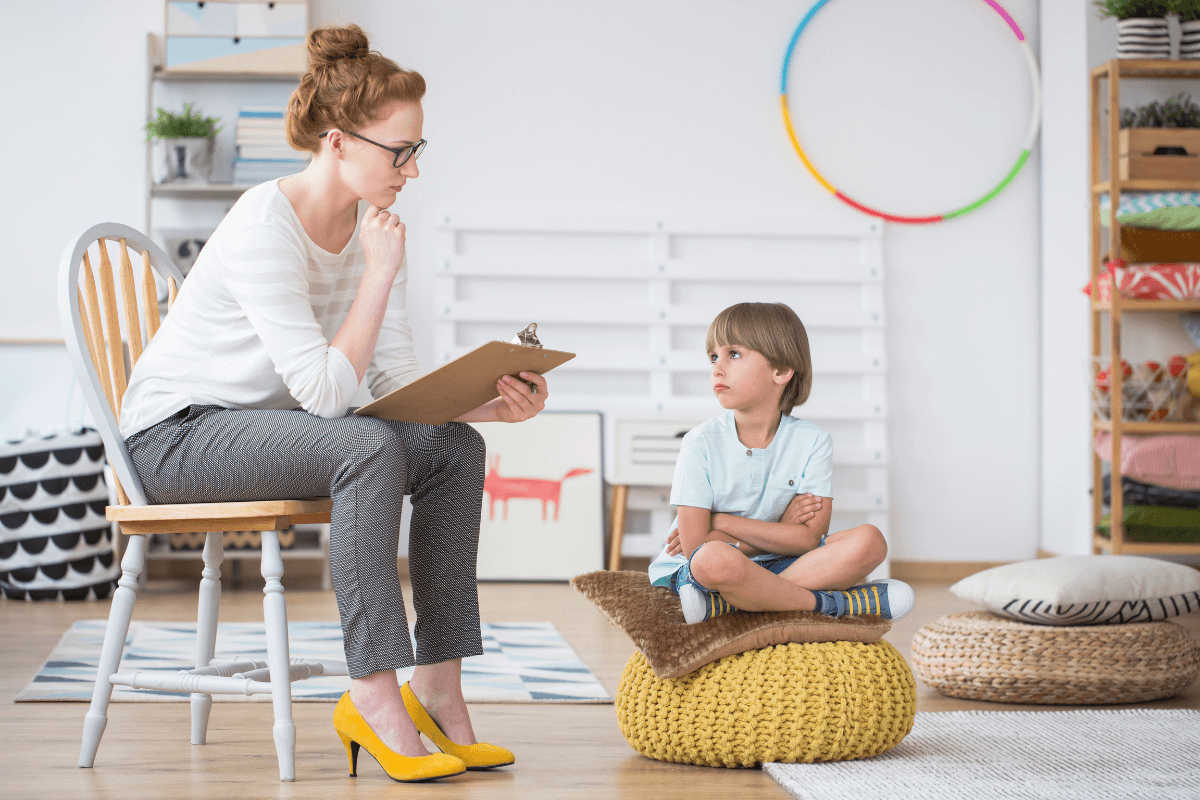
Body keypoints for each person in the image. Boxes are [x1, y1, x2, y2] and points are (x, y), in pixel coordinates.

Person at [120, 24, 535, 783]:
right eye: (397, 151)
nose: (411, 170)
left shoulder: (375, 229)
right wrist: (375, 275)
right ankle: (372, 694)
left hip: (273, 433)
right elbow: (321, 395)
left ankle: (438, 688)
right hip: (173, 440)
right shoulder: (262, 224)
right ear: (339, 143)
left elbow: (395, 389)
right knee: (363, 446)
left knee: (450, 449)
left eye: (417, 150)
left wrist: (486, 406)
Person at [647, 302, 915, 625]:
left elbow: (807, 539)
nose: (717, 368)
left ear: (781, 371)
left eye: (734, 354)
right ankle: (834, 605)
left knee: (870, 541)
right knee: (713, 560)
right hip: (709, 572)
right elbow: (694, 548)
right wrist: (782, 529)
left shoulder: (813, 441)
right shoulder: (699, 444)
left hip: (784, 562)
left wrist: (723, 522)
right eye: (713, 357)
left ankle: (735, 604)